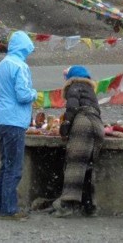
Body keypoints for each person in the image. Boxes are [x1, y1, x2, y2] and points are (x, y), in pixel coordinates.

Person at [0, 31, 38, 220]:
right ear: (24, 48)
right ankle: (10, 210)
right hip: (15, 120)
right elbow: (23, 95)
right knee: (14, 168)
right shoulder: (20, 66)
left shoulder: (0, 66)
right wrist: (34, 93)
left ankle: (1, 206)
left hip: (1, 118)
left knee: (6, 166)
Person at [53, 65, 105, 218]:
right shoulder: (90, 90)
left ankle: (67, 205)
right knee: (88, 167)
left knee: (75, 164)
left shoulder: (74, 86)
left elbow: (72, 108)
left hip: (84, 124)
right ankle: (89, 206)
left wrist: (66, 126)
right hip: (97, 125)